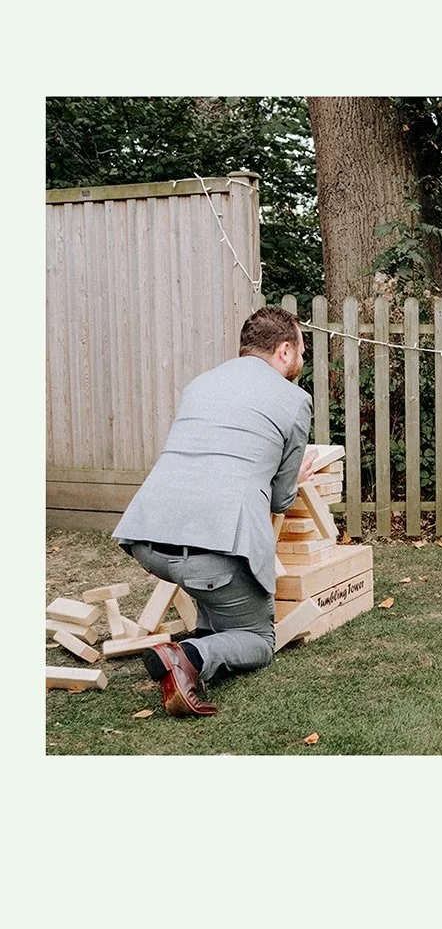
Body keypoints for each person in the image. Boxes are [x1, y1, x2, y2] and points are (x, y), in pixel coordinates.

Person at [113, 306, 315, 716]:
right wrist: (295, 478)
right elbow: (278, 500)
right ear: (284, 351)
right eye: (301, 352)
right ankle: (187, 655)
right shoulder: (295, 401)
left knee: (212, 577)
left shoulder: (200, 384)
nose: (301, 362)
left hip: (148, 535)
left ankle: (203, 636)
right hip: (211, 550)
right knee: (259, 639)